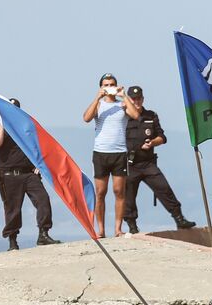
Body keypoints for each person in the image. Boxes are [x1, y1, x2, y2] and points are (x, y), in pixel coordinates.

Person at [120, 86, 196, 234]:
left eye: (139, 98)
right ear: (128, 100)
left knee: (164, 189)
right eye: (133, 99)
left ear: (143, 99)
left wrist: (153, 143)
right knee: (128, 196)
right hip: (130, 164)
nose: (136, 101)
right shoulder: (122, 117)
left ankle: (179, 219)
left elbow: (162, 137)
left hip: (147, 163)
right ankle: (132, 226)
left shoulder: (151, 115)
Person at [0, 98, 58, 251]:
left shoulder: (27, 128)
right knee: (12, 208)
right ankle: (13, 241)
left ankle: (43, 234)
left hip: (28, 173)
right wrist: (3, 121)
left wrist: (38, 164)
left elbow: (37, 147)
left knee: (43, 199)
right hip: (8, 174)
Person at [82, 73, 140, 238]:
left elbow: (136, 115)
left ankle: (118, 229)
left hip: (119, 153)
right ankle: (100, 229)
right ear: (101, 87)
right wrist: (97, 97)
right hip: (101, 153)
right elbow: (86, 118)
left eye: (112, 84)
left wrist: (124, 95)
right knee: (100, 192)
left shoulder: (122, 105)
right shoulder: (99, 105)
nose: (109, 87)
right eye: (106, 85)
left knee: (119, 191)